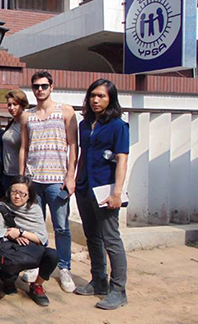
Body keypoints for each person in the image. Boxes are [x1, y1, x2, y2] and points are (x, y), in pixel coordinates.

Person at [19, 70, 78, 293]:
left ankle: (64, 268)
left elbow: (73, 144)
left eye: (44, 86)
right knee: (35, 225)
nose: (40, 90)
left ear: (51, 87)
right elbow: (24, 148)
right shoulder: (27, 115)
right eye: (36, 86)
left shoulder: (65, 111)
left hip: (57, 181)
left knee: (62, 227)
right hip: (34, 180)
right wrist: (22, 179)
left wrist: (71, 175)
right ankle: (36, 264)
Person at [74, 79, 129, 310]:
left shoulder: (118, 126)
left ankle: (118, 290)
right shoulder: (84, 125)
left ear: (111, 99)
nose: (96, 100)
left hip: (105, 190)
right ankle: (98, 281)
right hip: (85, 187)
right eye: (92, 96)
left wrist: (117, 192)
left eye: (101, 96)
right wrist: (76, 181)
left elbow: (122, 160)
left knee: (111, 239)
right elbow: (82, 154)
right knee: (92, 237)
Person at [0, 175, 58, 307]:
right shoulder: (1, 208)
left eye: (22, 193)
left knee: (52, 255)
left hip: (30, 251)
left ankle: (36, 286)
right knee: (8, 272)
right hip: (10, 253)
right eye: (14, 192)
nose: (17, 196)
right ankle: (8, 281)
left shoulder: (35, 209)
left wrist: (20, 232)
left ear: (29, 195)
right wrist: (11, 235)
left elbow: (42, 238)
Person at [1, 90, 29, 192]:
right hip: (7, 173)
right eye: (9, 105)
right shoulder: (12, 122)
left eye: (15, 104)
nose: (11, 108)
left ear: (22, 105)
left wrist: (22, 176)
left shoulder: (26, 122)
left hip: (18, 175)